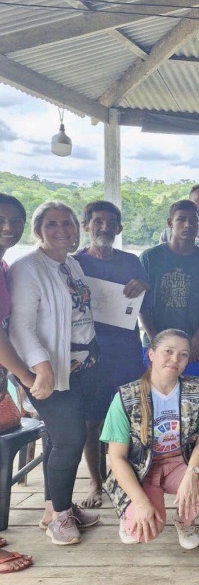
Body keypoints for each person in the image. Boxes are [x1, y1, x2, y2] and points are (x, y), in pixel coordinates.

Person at [8, 201, 100, 545]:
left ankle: (54, 507)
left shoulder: (71, 264)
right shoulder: (27, 268)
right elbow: (20, 327)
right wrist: (40, 367)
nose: (62, 230)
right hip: (47, 372)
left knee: (58, 439)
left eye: (68, 223)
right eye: (52, 224)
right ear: (38, 231)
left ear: (77, 229)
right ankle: (60, 518)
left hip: (78, 367)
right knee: (71, 439)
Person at [101, 329, 199, 549]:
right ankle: (127, 512)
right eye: (168, 351)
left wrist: (192, 475)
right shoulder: (126, 397)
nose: (175, 359)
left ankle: (184, 520)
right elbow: (117, 457)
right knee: (142, 532)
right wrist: (140, 501)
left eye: (183, 354)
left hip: (179, 462)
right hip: (142, 469)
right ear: (151, 354)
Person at [75, 201, 150, 509]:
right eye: (97, 221)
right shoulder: (74, 263)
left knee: (132, 416)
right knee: (92, 421)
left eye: (111, 222)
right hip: (89, 353)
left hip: (127, 351)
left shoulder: (131, 261)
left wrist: (143, 285)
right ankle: (95, 481)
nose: (104, 227)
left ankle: (127, 477)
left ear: (120, 228)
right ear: (86, 226)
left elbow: (144, 305)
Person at [139, 200, 199, 378]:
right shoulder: (150, 257)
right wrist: (155, 341)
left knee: (193, 397)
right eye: (181, 219)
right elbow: (142, 305)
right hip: (155, 341)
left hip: (193, 346)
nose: (188, 225)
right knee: (153, 395)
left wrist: (198, 339)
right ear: (170, 223)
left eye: (194, 220)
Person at [0, 193, 34, 572]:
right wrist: (25, 374)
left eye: (16, 219)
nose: (9, 227)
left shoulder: (4, 264)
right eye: (1, 220)